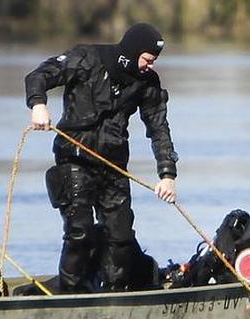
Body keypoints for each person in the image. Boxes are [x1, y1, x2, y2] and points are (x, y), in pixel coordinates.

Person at [25, 23, 179, 293]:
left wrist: (167, 175)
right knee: (80, 232)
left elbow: (159, 128)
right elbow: (38, 75)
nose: (150, 67)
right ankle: (69, 294)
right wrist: (38, 104)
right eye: (147, 60)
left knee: (120, 239)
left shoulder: (147, 83)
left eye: (153, 62)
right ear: (132, 52)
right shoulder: (86, 59)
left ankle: (114, 293)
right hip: (75, 161)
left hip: (113, 167)